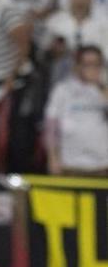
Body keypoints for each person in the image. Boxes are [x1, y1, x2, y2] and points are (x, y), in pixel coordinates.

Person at [44, 45, 108, 177]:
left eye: (97, 64)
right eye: (88, 64)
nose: (93, 68)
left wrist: (101, 88)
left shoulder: (104, 90)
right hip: (71, 165)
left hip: (102, 165)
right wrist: (52, 157)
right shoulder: (63, 90)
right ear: (78, 66)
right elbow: (51, 127)